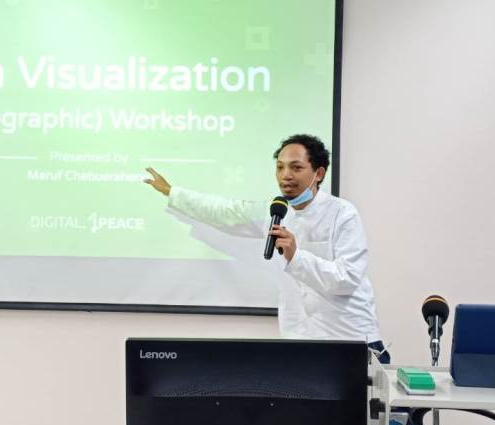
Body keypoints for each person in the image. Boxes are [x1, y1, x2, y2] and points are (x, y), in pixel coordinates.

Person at [144, 134, 387, 358]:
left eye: (296, 167)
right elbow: (225, 211)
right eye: (280, 167)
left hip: (350, 339)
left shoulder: (342, 213)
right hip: (300, 340)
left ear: (319, 173)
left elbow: (346, 279)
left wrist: (296, 256)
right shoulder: (275, 212)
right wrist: (173, 192)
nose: (285, 175)